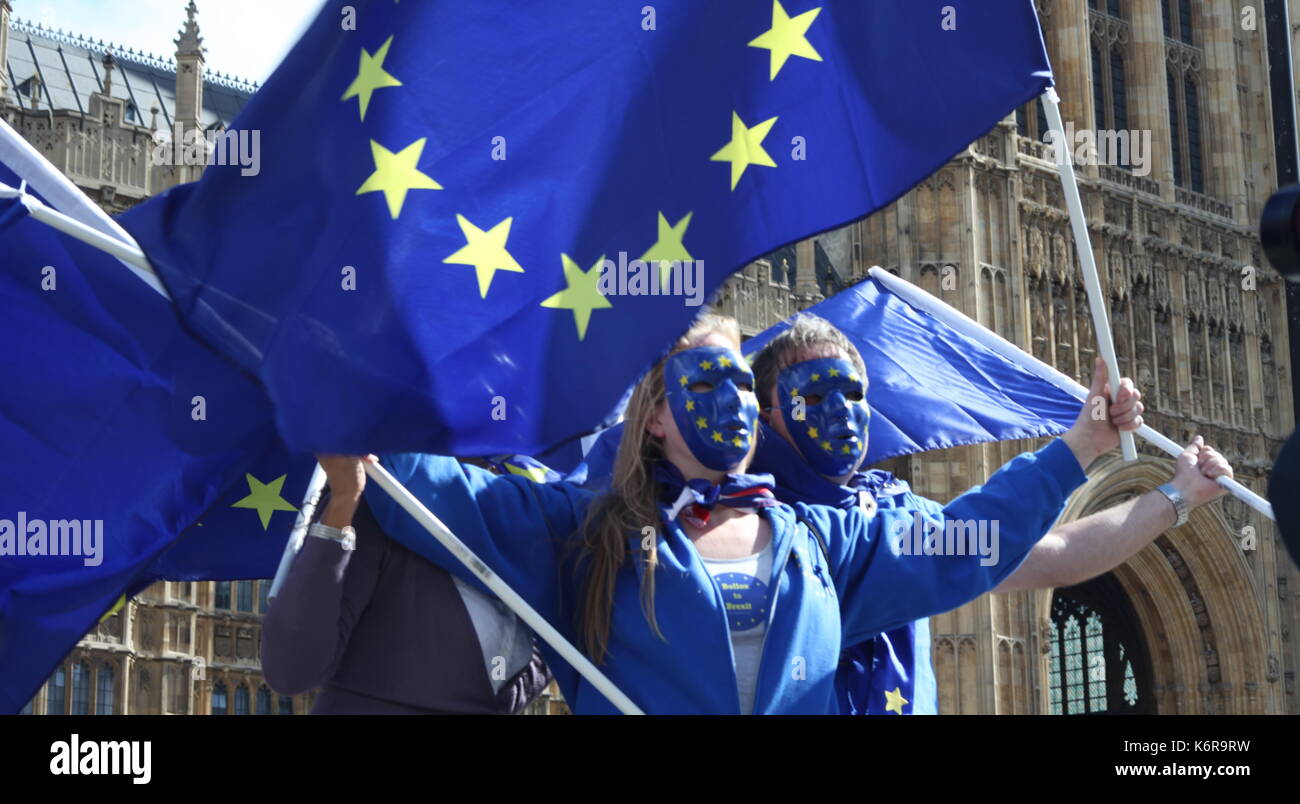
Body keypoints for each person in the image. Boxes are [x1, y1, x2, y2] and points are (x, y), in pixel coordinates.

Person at [339, 311, 1141, 714]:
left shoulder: (821, 541)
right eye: (706, 382)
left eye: (741, 384)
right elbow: (433, 493)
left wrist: (1078, 446)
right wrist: (338, 412)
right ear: (655, 415)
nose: (733, 400)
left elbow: (965, 542)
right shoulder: (585, 534)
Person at [748, 313, 1233, 714]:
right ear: (766, 417)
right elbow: (970, 541)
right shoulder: (778, 532)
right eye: (810, 396)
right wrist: (1081, 444)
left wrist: (1176, 497)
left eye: (853, 395)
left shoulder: (889, 508)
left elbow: (1055, 556)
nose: (838, 411)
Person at [260, 456, 551, 714]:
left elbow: (516, 685)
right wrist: (343, 501)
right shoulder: (380, 501)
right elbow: (291, 668)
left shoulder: (537, 526)